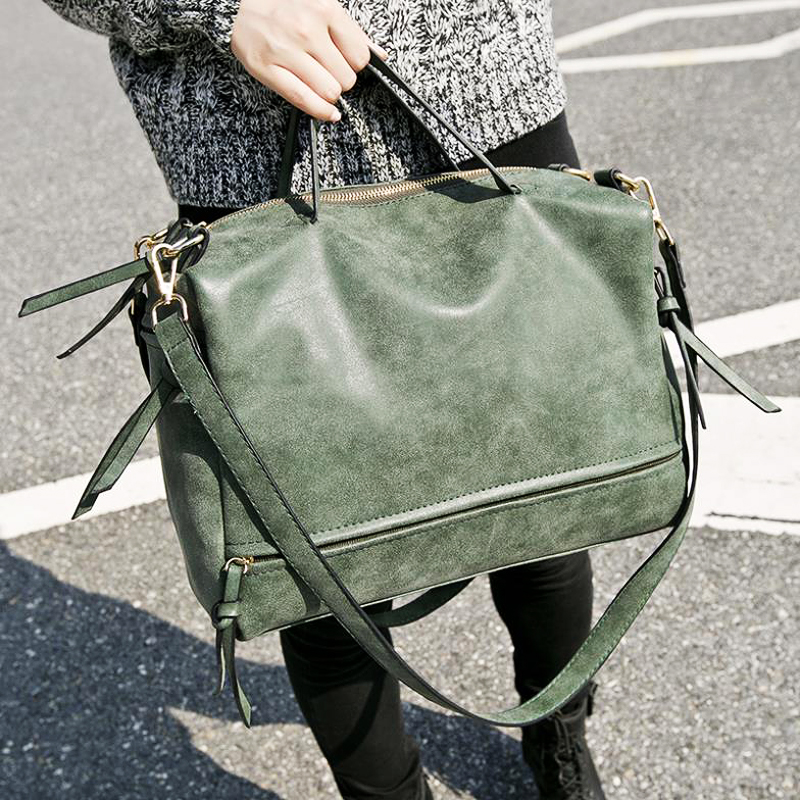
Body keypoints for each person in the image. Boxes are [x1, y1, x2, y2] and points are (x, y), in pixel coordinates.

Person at [42, 1, 605, 798]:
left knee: (545, 483)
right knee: (314, 549)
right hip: (245, 133)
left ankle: (558, 730)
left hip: (482, 81)